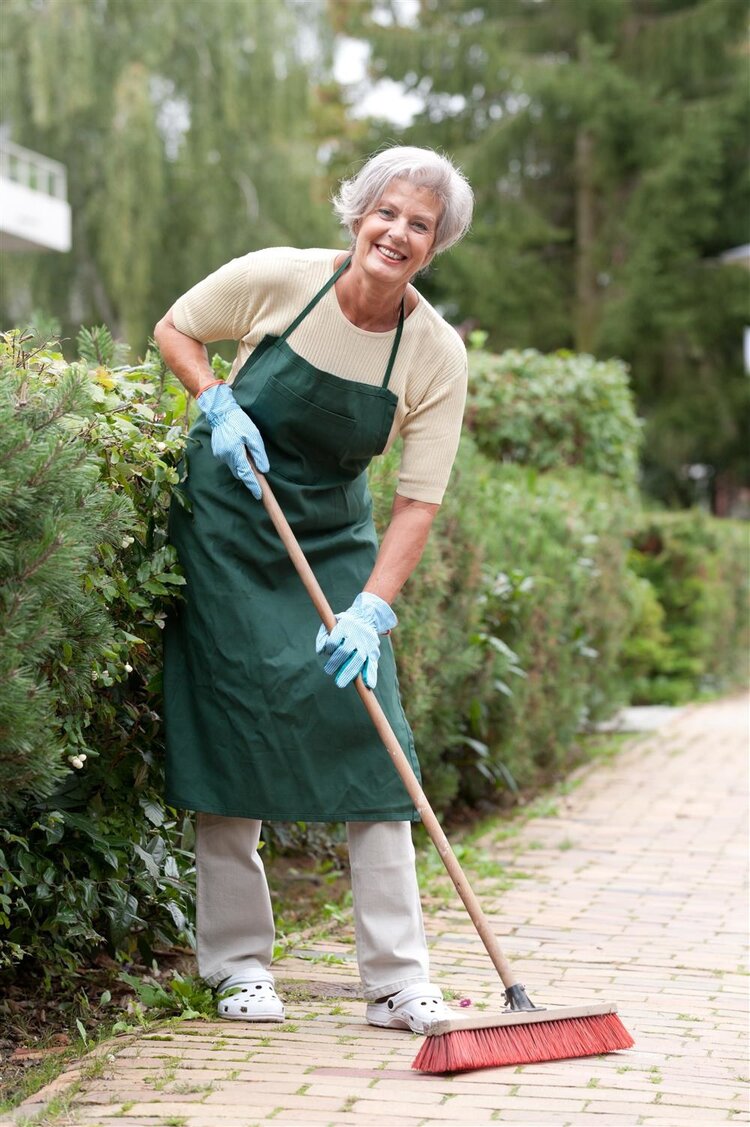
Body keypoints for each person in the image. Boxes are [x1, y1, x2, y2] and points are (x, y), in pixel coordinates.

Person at [154, 145, 474, 1033]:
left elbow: (418, 501)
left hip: (333, 536)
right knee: (231, 726)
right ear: (358, 214)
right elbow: (175, 327)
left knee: (375, 741)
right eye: (388, 212)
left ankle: (400, 978)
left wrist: (372, 607)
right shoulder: (280, 279)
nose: (398, 233)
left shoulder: (433, 353)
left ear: (435, 243)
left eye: (420, 223)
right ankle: (238, 966)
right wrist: (214, 400)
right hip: (228, 521)